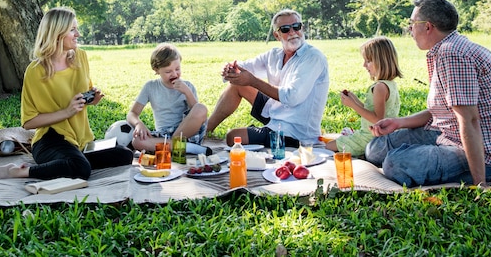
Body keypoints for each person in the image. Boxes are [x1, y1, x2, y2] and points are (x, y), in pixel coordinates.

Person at [365, 0, 491, 187]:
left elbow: (470, 120)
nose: (410, 30)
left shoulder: (452, 54)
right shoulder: (447, 49)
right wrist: (398, 123)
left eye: (412, 24)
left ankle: (476, 173)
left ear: (428, 27)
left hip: (486, 153)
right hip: (447, 132)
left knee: (395, 163)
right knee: (375, 148)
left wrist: (481, 184)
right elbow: (444, 110)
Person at [0, 7, 133, 180]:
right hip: (50, 140)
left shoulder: (80, 57)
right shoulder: (36, 71)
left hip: (80, 140)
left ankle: (71, 161)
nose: (78, 34)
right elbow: (29, 122)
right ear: (57, 33)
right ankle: (17, 171)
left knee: (124, 154)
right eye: (72, 30)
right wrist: (67, 112)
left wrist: (92, 99)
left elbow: (81, 97)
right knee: (81, 169)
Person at [206, 9, 329, 147]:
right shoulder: (274, 55)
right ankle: (204, 132)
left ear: (302, 28)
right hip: (276, 114)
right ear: (277, 35)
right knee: (237, 85)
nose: (293, 32)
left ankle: (270, 138)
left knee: (232, 137)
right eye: (285, 29)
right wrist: (230, 70)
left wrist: (252, 81)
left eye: (296, 27)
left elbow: (292, 97)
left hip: (295, 132)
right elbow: (245, 67)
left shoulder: (313, 57)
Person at [128, 43, 210, 155]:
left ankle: (175, 146)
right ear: (156, 70)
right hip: (163, 135)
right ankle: (187, 148)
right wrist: (138, 124)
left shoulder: (188, 86)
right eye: (168, 71)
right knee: (137, 142)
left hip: (187, 134)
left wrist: (187, 92)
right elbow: (132, 113)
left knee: (201, 108)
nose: (174, 74)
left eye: (177, 69)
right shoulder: (150, 87)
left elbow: (196, 112)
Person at [326, 36, 402, 157]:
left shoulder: (379, 87)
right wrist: (355, 100)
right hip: (377, 136)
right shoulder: (390, 85)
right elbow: (373, 112)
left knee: (325, 147)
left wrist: (353, 106)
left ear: (380, 61)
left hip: (369, 137)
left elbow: (378, 120)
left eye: (368, 61)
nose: (364, 65)